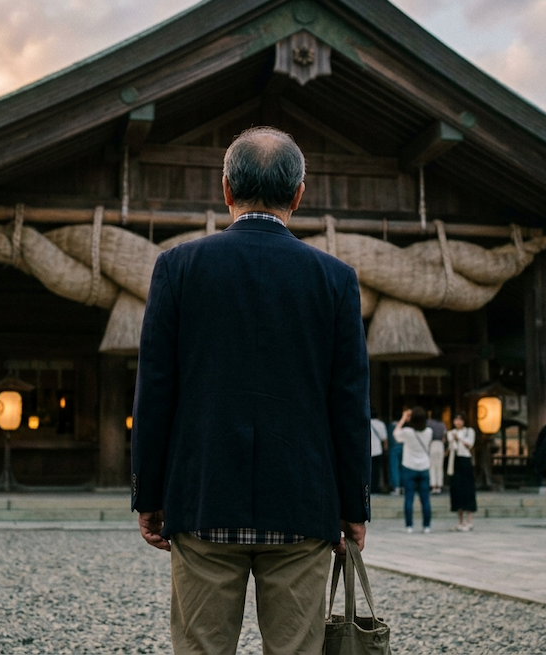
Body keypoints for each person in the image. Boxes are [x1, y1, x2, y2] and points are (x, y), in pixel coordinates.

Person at [130, 127, 370, 654]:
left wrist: (148, 493)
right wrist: (354, 505)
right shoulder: (335, 278)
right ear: (299, 194)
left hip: (203, 495)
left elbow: (155, 391)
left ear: (226, 190)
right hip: (302, 504)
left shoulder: (178, 268)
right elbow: (349, 402)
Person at [394, 406, 433, 533]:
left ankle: (409, 526)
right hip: (424, 467)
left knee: (409, 498)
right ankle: (426, 526)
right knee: (425, 499)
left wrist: (403, 419)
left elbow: (395, 434)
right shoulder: (429, 432)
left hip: (409, 466)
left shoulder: (407, 432)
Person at [446, 412, 477, 531]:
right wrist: (453, 439)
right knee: (456, 490)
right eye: (456, 419)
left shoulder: (469, 431)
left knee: (468, 489)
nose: (458, 422)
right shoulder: (450, 433)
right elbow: (451, 447)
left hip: (465, 460)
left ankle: (469, 521)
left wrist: (459, 438)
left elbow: (470, 444)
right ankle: (460, 521)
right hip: (455, 461)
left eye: (460, 420)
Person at [427, 411, 447, 494]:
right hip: (440, 445)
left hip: (432, 444)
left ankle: (433, 485)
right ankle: (439, 485)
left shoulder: (429, 423)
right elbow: (444, 437)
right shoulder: (442, 424)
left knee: (432, 466)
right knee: (439, 466)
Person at [371, 411, 388, 494]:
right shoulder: (380, 424)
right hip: (377, 450)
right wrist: (385, 450)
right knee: (376, 471)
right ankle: (375, 487)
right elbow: (384, 439)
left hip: (367, 451)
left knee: (368, 470)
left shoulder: (364, 422)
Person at [388, 413, 404, 495]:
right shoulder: (403, 426)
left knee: (394, 468)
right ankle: (402, 486)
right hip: (402, 447)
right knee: (402, 467)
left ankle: (396, 487)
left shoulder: (391, 426)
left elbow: (390, 438)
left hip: (394, 448)